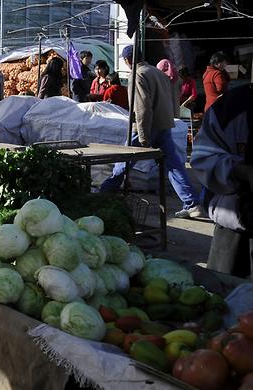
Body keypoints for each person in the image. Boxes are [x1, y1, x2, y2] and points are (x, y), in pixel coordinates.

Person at [100, 45, 200, 218]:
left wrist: (144, 137)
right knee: (174, 166)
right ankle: (192, 203)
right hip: (163, 125)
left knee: (123, 161)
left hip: (147, 127)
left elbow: (142, 108)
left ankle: (104, 194)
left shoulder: (137, 75)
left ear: (127, 60)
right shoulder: (157, 72)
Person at [191, 84, 253, 277]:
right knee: (224, 296)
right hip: (235, 226)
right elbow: (202, 158)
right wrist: (241, 171)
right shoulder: (234, 106)